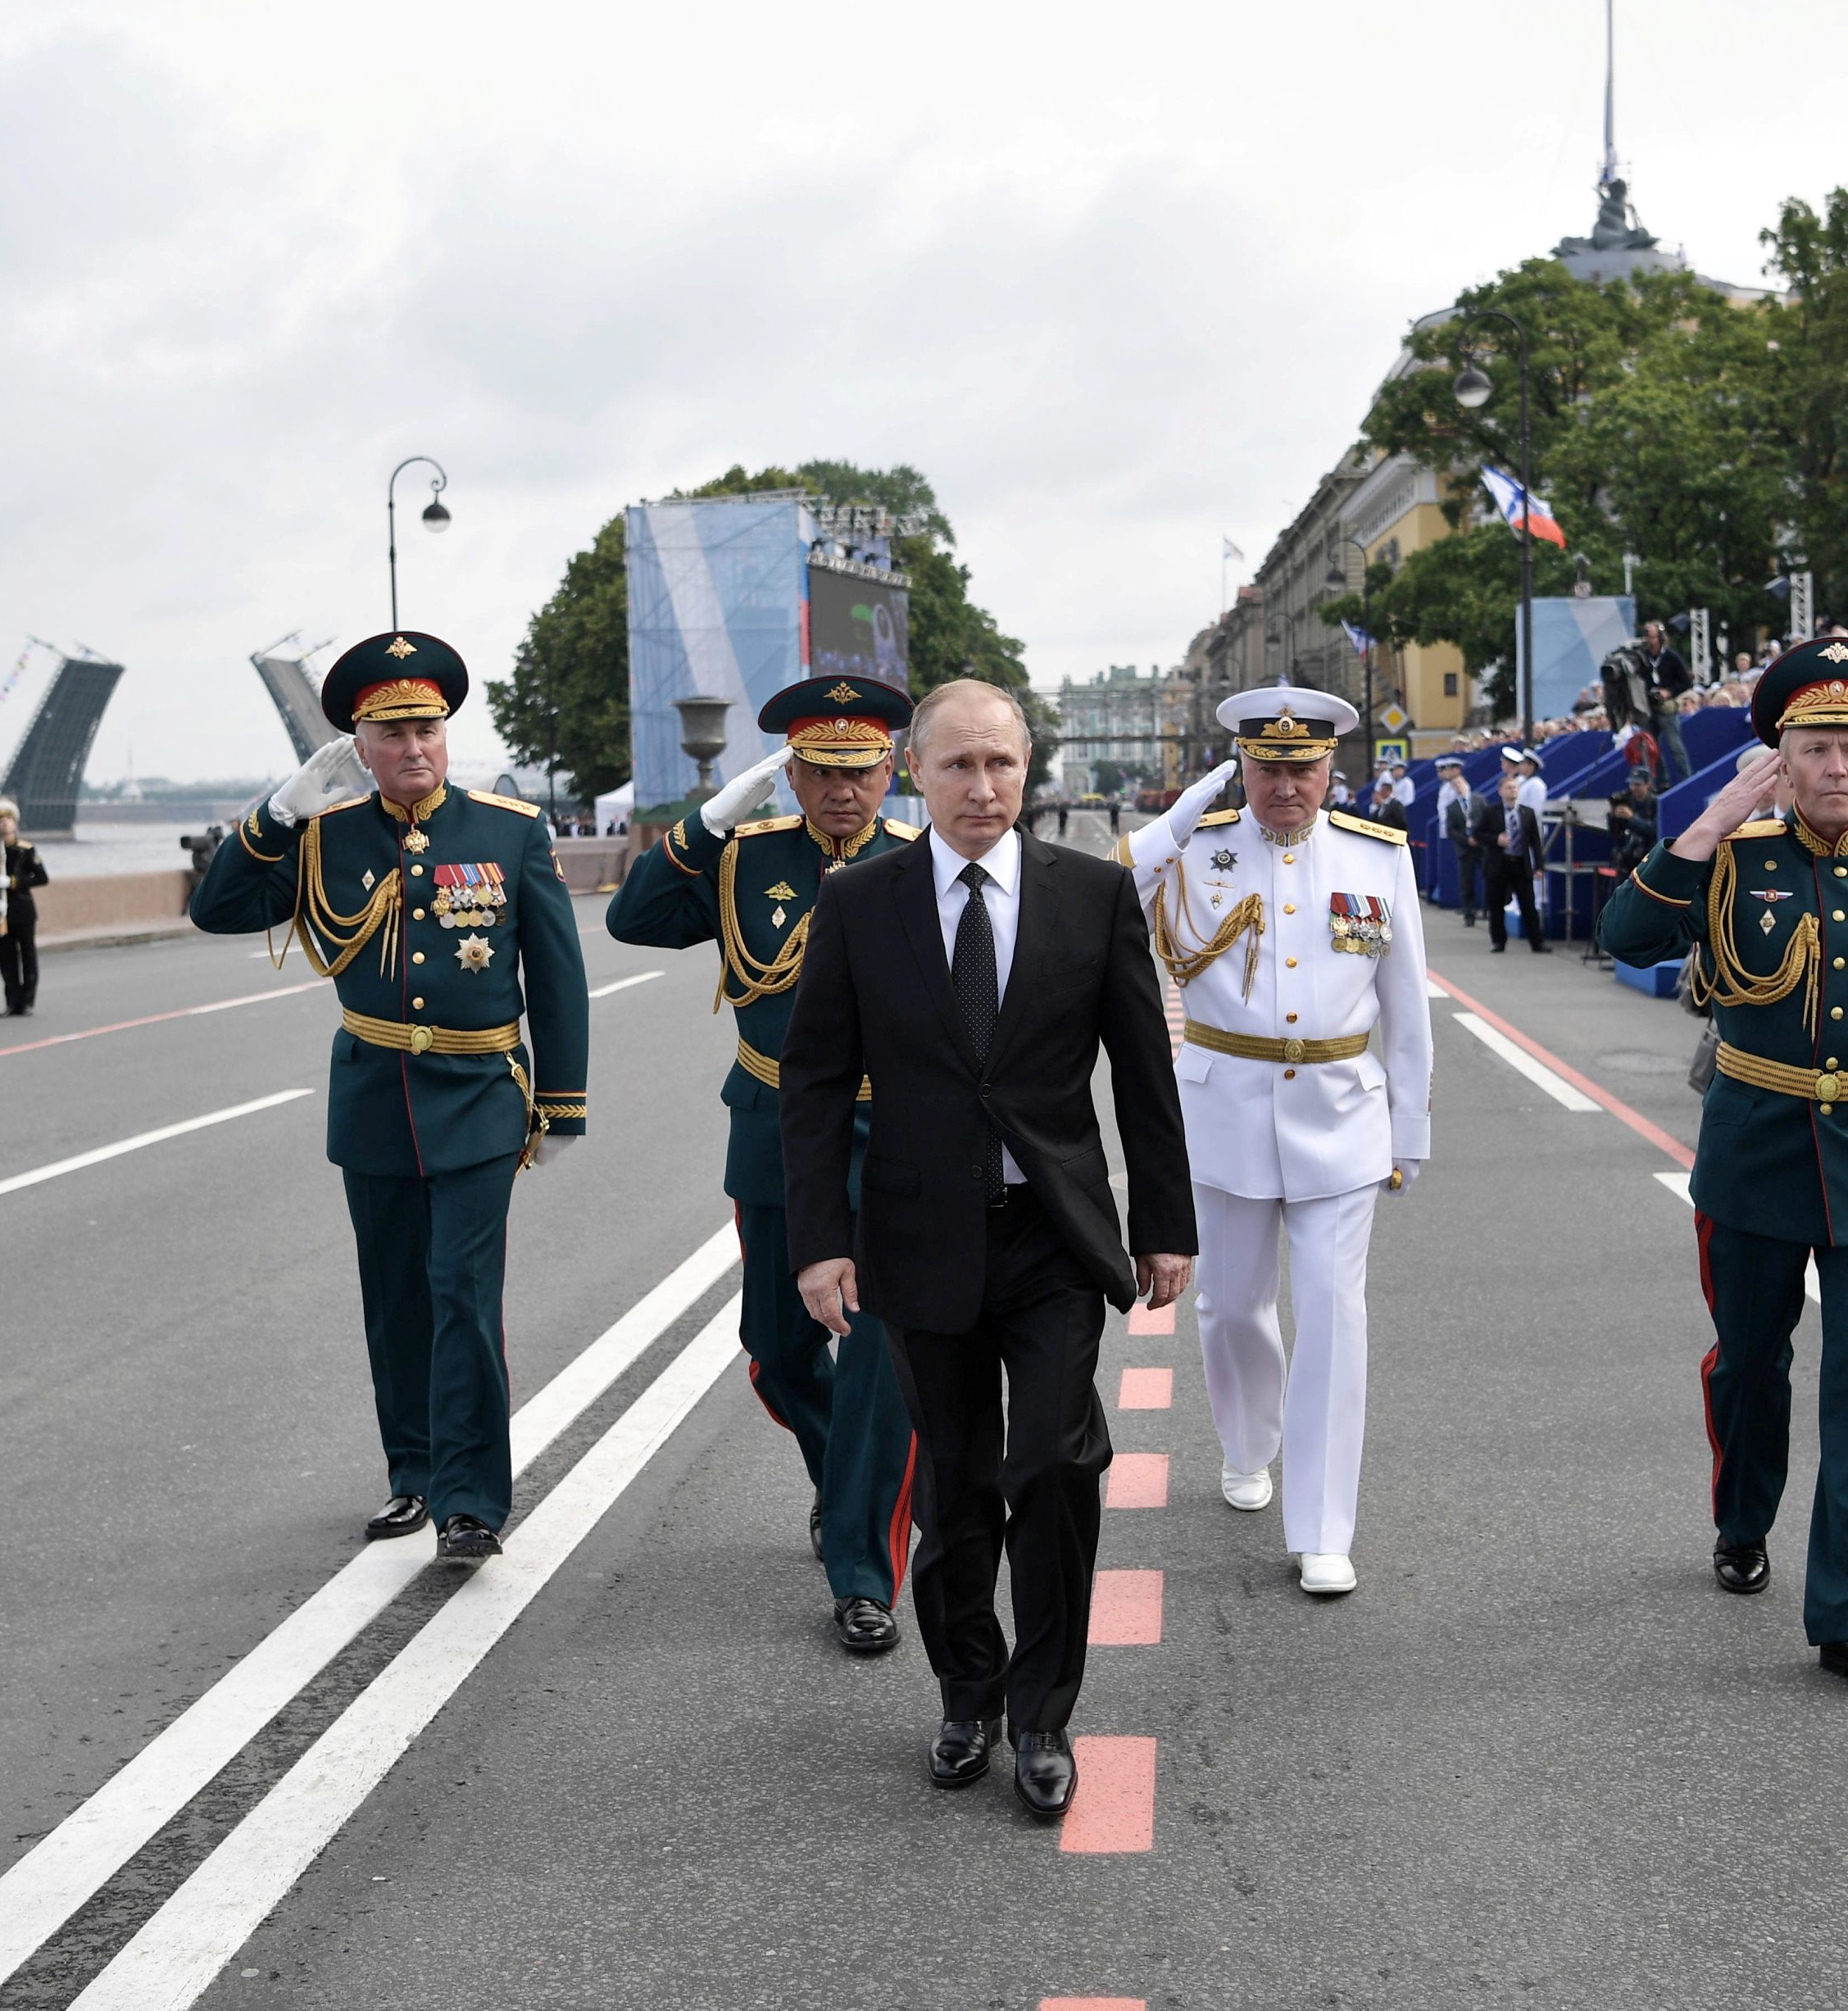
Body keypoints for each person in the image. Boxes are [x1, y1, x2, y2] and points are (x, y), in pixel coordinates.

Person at [780, 678, 1193, 1820]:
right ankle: (969, 1693)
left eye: (1001, 764)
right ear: (916, 772)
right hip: (919, 1239)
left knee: (1054, 1464)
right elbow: (812, 1083)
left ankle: (1046, 1714)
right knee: (955, 1482)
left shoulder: (1094, 895)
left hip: (1052, 1237)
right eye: (957, 765)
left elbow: (1143, 1075)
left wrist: (1166, 1223)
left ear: (1029, 769)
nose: (982, 787)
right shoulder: (862, 902)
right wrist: (820, 1241)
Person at [1600, 638, 1848, 1705]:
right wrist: (1706, 828)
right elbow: (1626, 931)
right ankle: (1742, 1517)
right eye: (1816, 747)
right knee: (1751, 1364)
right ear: (1781, 760)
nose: (1840, 767)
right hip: (1755, 1150)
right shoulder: (1737, 857)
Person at [188, 631, 591, 1559]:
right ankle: (411, 1476)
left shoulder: (508, 830)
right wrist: (281, 811)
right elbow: (215, 908)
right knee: (395, 1300)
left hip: (481, 1097)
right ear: (359, 747)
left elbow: (557, 977)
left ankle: (470, 1502)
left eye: (429, 729)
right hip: (375, 1099)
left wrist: (561, 1102)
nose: (415, 748)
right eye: (393, 733)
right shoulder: (324, 835)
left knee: (461, 1293)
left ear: (446, 736)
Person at [605, 674, 921, 1655]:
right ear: (789, 774)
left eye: (860, 772)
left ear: (889, 772)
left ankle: (862, 1568)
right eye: (819, 772)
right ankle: (844, 1484)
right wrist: (708, 821)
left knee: (880, 1355)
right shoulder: (745, 860)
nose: (841, 793)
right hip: (778, 1126)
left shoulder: (923, 863)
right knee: (779, 1346)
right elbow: (633, 920)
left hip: (895, 1136)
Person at [1119, 685, 1431, 1596]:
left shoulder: (1376, 859)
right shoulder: (1198, 849)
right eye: (1266, 767)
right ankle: (1247, 1444)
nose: (1285, 785)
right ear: (1239, 770)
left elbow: (1404, 1007)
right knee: (1230, 1306)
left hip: (1340, 1108)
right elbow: (1106, 894)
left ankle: (1324, 1527)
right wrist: (1173, 822)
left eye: (1303, 766)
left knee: (1334, 1313)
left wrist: (1406, 1128)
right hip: (1223, 1104)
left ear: (1333, 768)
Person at [0, 798, 50, 1016]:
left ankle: (28, 1000)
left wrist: (13, 881)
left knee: (28, 954)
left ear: (15, 823)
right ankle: (12, 1002)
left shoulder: (26, 850)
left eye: (8, 819)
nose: (4, 824)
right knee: (7, 957)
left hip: (22, 908)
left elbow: (41, 878)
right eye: (0, 820)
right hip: (1, 911)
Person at [1474, 761, 1546, 953]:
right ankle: (1498, 941)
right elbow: (1477, 835)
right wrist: (1495, 839)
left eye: (1515, 787)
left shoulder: (1526, 813)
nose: (1513, 790)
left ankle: (1537, 942)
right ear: (1500, 792)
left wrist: (1539, 866)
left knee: (1528, 904)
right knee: (1496, 905)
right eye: (1509, 788)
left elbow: (1535, 841)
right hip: (1498, 864)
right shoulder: (1491, 812)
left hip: (1520, 864)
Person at [1637, 620, 1695, 785]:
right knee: (1650, 748)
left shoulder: (1671, 657)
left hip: (1666, 707)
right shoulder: (1642, 658)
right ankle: (1661, 782)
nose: (1649, 641)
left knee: (1675, 746)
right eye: (1647, 637)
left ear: (1660, 638)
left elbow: (1686, 682)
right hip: (1648, 708)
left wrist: (1669, 692)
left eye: (1653, 637)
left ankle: (1687, 780)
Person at [1436, 756, 1481, 924]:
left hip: (1480, 844)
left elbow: (1483, 819)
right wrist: (1465, 840)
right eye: (1456, 786)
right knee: (1466, 881)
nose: (1458, 788)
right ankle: (1469, 913)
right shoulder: (1453, 806)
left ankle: (1489, 909)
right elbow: (1451, 828)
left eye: (1460, 785)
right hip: (1464, 845)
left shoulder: (1478, 801)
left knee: (1489, 876)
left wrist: (1477, 837)